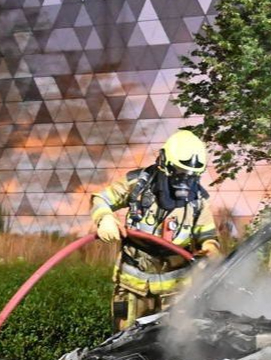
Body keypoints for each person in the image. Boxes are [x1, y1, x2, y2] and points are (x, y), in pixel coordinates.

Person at [90, 129, 222, 330]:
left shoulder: (198, 200)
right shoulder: (138, 185)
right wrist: (104, 218)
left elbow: (208, 235)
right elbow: (101, 198)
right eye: (180, 173)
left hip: (176, 294)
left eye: (192, 176)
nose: (185, 182)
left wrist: (210, 249)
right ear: (164, 163)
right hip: (132, 290)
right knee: (123, 344)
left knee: (170, 345)